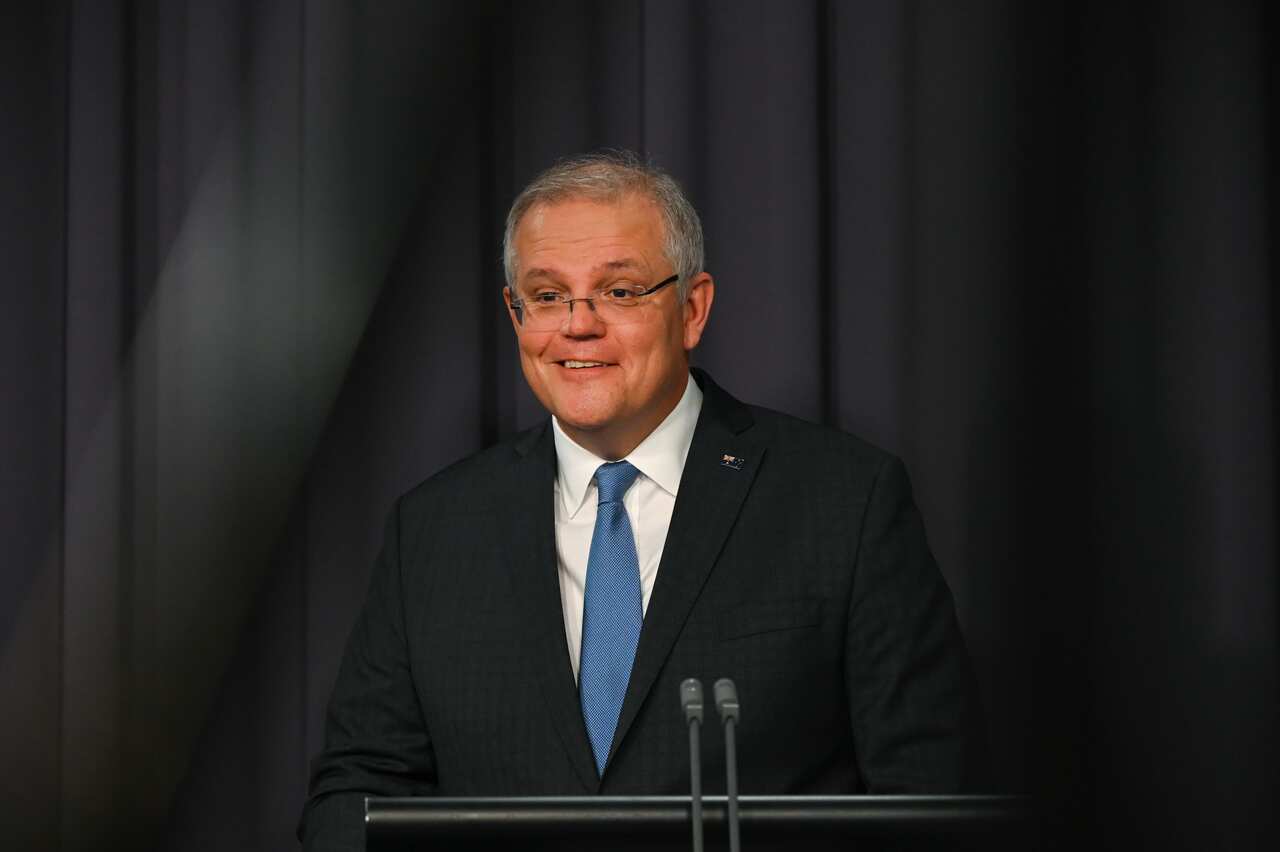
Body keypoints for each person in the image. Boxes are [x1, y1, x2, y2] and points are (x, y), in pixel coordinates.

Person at [299, 152, 986, 850]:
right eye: (546, 295)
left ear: (692, 309)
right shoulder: (434, 531)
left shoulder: (845, 500)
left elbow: (929, 797)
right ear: (515, 314)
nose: (578, 324)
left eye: (620, 292)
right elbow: (356, 798)